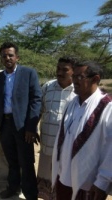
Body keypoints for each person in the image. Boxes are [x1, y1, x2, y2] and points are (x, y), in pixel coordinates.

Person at [0, 41, 42, 200]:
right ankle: (13, 188)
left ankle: (31, 195)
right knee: (11, 161)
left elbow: (36, 100)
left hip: (23, 126)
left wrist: (32, 127)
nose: (7, 58)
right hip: (5, 125)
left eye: (10, 55)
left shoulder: (29, 73)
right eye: (4, 56)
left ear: (17, 57)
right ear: (1, 58)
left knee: (26, 162)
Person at [52, 61, 112, 200]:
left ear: (95, 79)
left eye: (79, 77)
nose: (74, 81)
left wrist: (102, 182)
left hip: (88, 183)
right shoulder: (72, 103)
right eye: (74, 77)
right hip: (64, 177)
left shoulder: (107, 107)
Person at [37, 56, 77, 200]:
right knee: (46, 178)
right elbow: (39, 110)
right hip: (47, 141)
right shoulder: (47, 86)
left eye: (65, 70)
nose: (59, 72)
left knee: (65, 180)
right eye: (58, 69)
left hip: (68, 146)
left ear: (73, 71)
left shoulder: (78, 91)